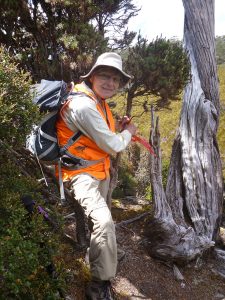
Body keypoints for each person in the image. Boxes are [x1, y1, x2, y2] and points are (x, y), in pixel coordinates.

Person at [56, 52, 137, 299]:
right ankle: (99, 284)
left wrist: (119, 130)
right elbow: (112, 145)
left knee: (98, 221)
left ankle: (98, 251)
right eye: (105, 76)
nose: (110, 83)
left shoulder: (96, 100)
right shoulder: (83, 104)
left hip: (97, 169)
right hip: (81, 173)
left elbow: (98, 136)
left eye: (115, 79)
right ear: (92, 76)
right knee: (103, 221)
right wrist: (129, 133)